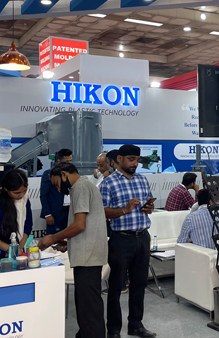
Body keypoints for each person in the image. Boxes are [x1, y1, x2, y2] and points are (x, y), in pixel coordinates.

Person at [38, 162, 107, 338]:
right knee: (85, 305)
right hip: (87, 254)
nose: (58, 189)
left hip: (88, 258)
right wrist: (69, 242)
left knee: (89, 309)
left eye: (57, 184)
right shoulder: (84, 186)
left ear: (64, 174)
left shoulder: (80, 187)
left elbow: (79, 225)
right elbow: (88, 226)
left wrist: (53, 237)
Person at [100, 144, 156, 338]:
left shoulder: (142, 179)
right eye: (131, 159)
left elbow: (148, 206)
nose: (135, 163)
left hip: (142, 237)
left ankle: (136, 325)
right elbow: (102, 212)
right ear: (119, 159)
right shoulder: (108, 183)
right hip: (121, 240)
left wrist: (149, 208)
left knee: (139, 284)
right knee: (116, 286)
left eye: (137, 160)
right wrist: (125, 209)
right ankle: (113, 330)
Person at [40, 148, 72, 235]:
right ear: (59, 161)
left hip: (69, 210)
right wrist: (47, 214)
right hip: (55, 212)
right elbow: (44, 195)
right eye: (67, 161)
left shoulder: (72, 174)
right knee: (53, 236)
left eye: (70, 161)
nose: (69, 163)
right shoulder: (49, 174)